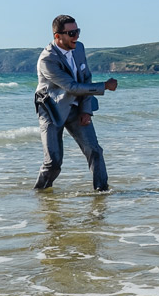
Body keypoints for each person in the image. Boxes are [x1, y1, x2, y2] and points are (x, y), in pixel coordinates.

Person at [34, 15, 118, 191]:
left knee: (95, 151)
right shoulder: (47, 60)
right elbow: (72, 86)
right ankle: (40, 194)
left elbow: (85, 78)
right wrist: (105, 86)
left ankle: (101, 195)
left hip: (76, 106)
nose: (76, 36)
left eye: (77, 31)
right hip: (51, 109)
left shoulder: (78, 48)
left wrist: (86, 110)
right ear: (58, 36)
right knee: (53, 163)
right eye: (71, 33)